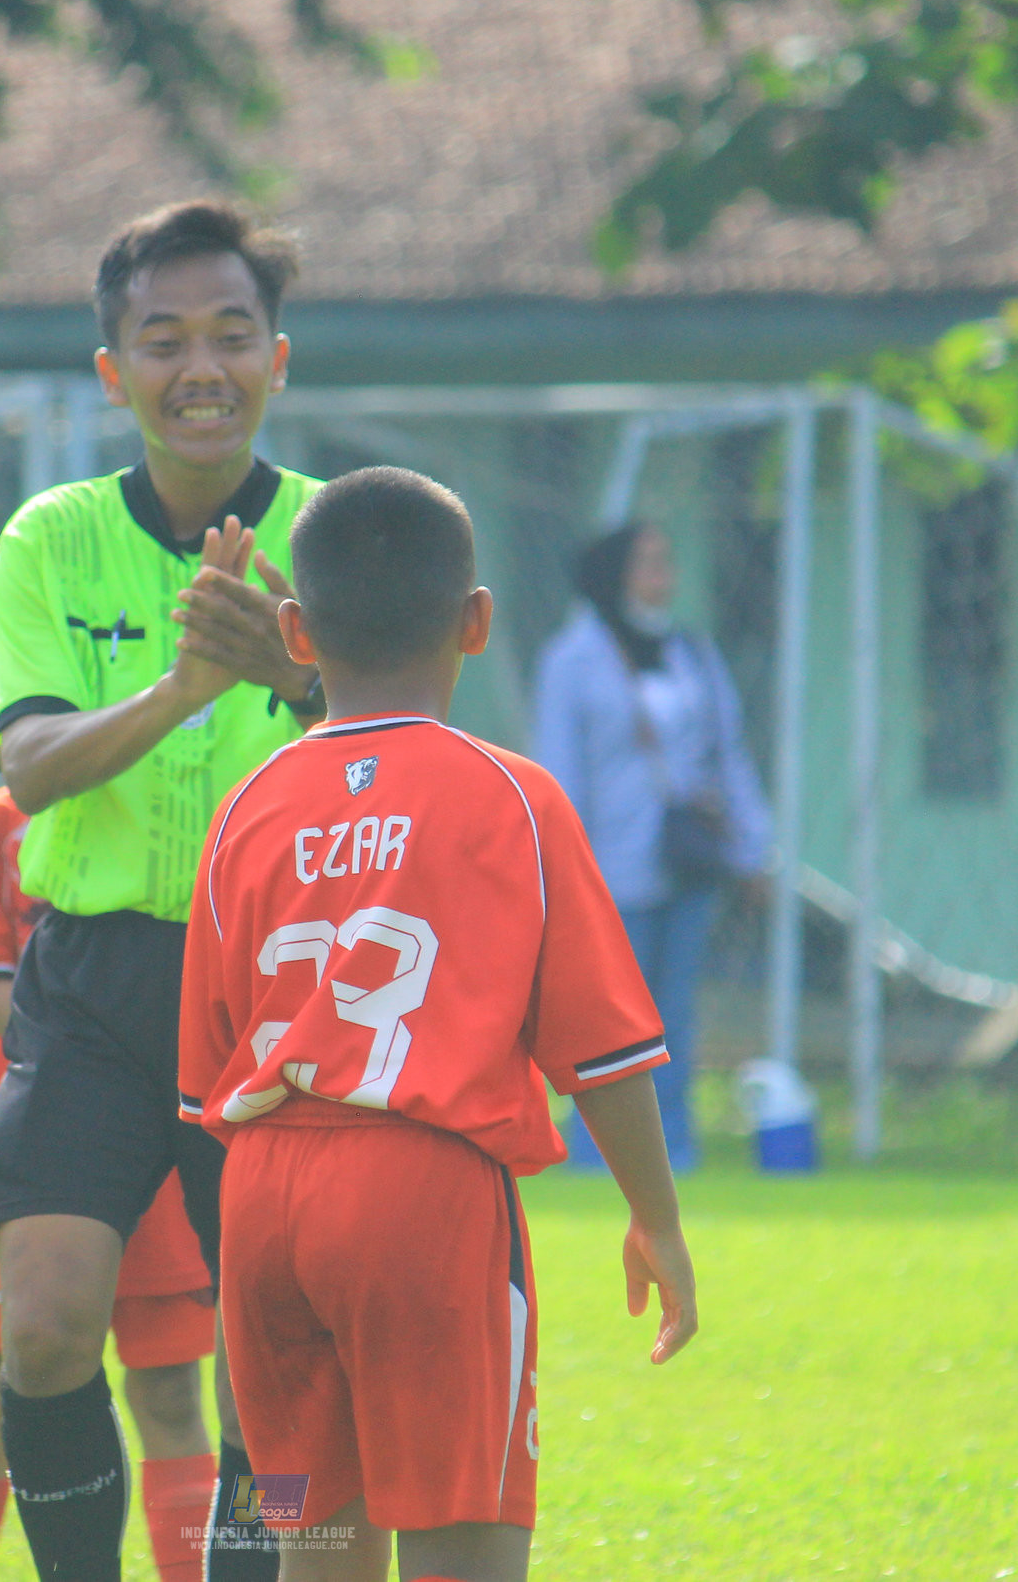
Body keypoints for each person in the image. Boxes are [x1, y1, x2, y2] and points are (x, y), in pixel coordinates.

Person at [179, 467, 701, 1582]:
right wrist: (656, 1217)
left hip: (262, 1202)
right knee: (464, 1547)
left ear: (294, 631)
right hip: (422, 1195)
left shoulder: (246, 809)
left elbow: (204, 1071)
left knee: (314, 1548)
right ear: (475, 621)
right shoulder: (512, 796)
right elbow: (602, 1052)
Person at [0, 197, 322, 1580]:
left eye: (231, 335)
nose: (200, 368)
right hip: (94, 983)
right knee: (43, 1325)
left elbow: (401, 747)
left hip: (284, 987)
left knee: (274, 1350)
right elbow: (34, 769)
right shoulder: (48, 539)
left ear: (276, 360)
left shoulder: (336, 537)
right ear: (112, 373)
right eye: (161, 339)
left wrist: (291, 675)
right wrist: (188, 686)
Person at [0, 785, 219, 1582]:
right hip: (38, 1155)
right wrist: (83, 1011)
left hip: (166, 1141)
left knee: (170, 1392)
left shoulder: (191, 803)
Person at [530, 522, 769, 1172]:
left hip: (685, 861)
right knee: (607, 1022)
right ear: (612, 573)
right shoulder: (571, 659)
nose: (662, 575)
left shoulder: (692, 650)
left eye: (667, 561)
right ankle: (595, 1154)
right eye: (647, 562)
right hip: (608, 871)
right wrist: (561, 875)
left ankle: (673, 1150)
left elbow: (727, 754)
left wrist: (753, 846)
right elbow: (559, 773)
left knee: (675, 1016)